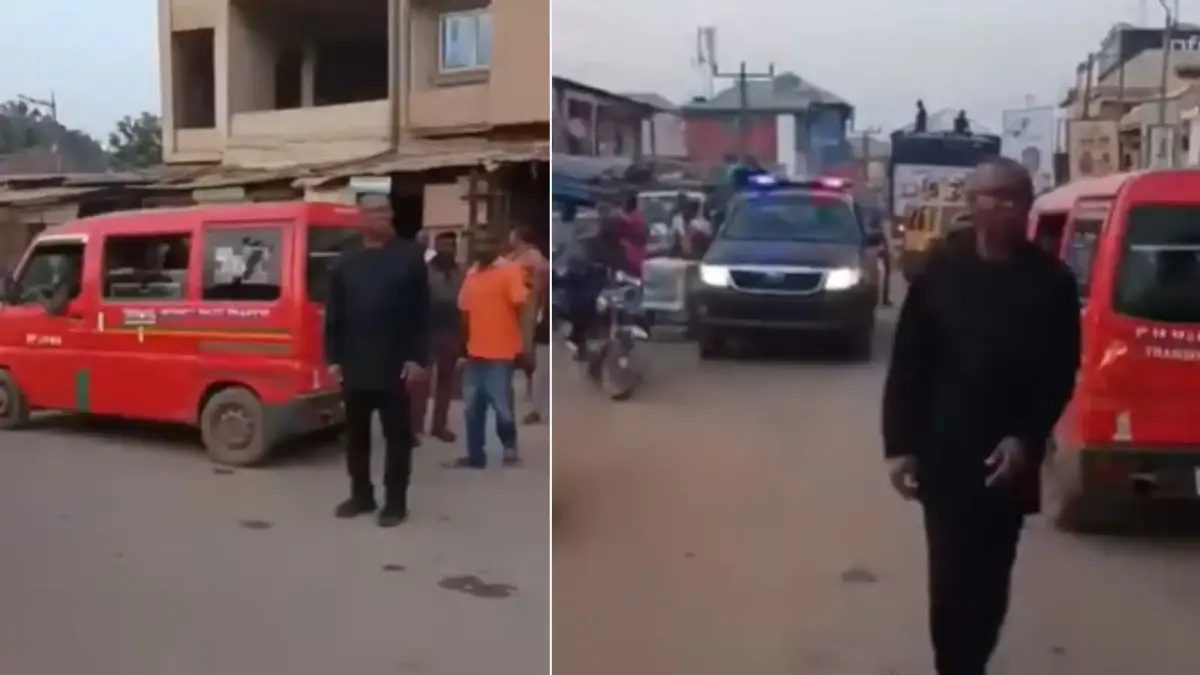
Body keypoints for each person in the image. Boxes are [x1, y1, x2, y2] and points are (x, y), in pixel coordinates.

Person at [881, 158, 1080, 675]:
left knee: (990, 580)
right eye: (989, 196)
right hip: (943, 453)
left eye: (1012, 197)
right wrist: (899, 446)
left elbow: (1060, 371)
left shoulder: (1050, 283)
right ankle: (953, 666)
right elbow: (908, 362)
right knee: (948, 580)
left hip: (1007, 459)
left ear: (1027, 204)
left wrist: (1026, 438)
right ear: (970, 205)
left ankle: (972, 663)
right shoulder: (940, 274)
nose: (1000, 207)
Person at [325, 193, 430, 527]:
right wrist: (333, 358)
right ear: (361, 219)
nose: (382, 217)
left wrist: (417, 357)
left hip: (395, 364)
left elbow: (422, 312)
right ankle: (361, 495)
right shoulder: (346, 261)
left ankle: (395, 502)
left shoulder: (409, 256)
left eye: (386, 211)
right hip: (355, 364)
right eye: (374, 213)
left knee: (398, 440)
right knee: (356, 438)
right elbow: (334, 314)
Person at [451, 229, 530, 468]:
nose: (483, 247)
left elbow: (524, 307)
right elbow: (464, 310)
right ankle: (476, 455)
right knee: (472, 406)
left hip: (502, 352)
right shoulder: (472, 273)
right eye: (480, 242)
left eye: (489, 242)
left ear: (500, 245)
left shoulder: (510, 271)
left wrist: (526, 347)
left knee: (502, 404)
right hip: (475, 351)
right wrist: (462, 348)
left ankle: (509, 448)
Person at [411, 231, 463, 444]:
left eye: (450, 245)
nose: (446, 249)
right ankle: (414, 429)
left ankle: (439, 426)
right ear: (436, 247)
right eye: (442, 245)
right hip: (427, 331)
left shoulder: (462, 271)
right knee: (420, 383)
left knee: (446, 382)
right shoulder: (423, 271)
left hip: (451, 332)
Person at [507, 224, 550, 425]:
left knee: (527, 349)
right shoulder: (515, 255)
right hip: (515, 308)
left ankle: (532, 395)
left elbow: (543, 276)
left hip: (527, 306)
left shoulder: (532, 256)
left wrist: (537, 296)